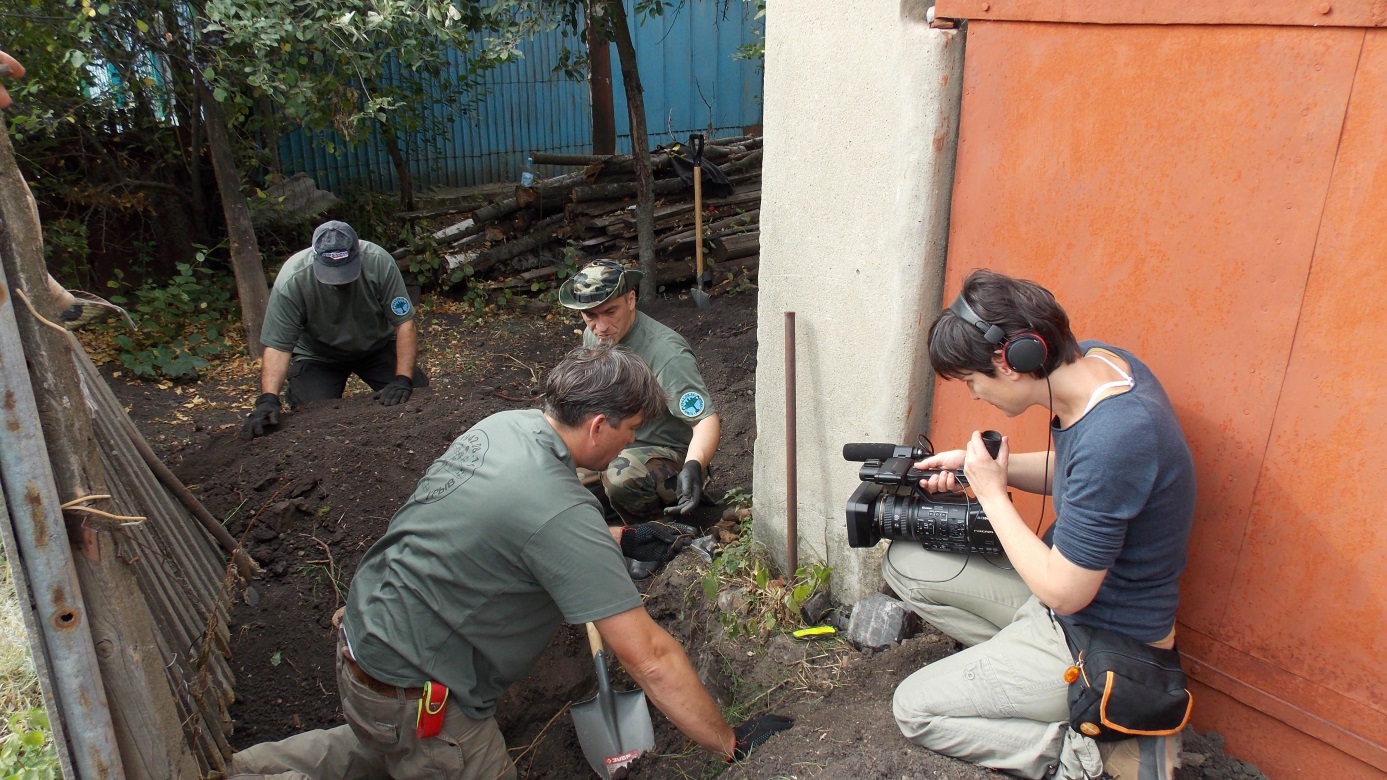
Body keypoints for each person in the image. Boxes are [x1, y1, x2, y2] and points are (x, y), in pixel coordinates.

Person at [228, 345, 792, 779]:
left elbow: (497, 531)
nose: (630, 445)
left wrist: (618, 537)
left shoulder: (500, 428)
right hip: (422, 698)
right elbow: (650, 660)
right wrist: (730, 743)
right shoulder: (557, 508)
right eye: (629, 432)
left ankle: (242, 769)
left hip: (365, 648)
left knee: (378, 744)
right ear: (598, 425)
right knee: (418, 745)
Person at [883, 269, 1196, 780]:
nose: (974, 395)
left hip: (1098, 639)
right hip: (1056, 609)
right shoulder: (1098, 366)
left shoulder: (1119, 435)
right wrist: (981, 468)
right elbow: (1081, 479)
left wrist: (990, 493)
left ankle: (1089, 755)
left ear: (1013, 362)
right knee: (908, 562)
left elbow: (1066, 592)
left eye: (971, 381)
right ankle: (1020, 678)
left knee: (914, 708)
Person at [557, 260, 721, 575]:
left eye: (610, 312)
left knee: (621, 476)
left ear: (631, 300)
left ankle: (660, 534)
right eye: (590, 315)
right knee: (559, 473)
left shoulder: (666, 354)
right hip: (617, 441)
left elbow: (705, 420)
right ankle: (603, 525)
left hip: (664, 455)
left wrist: (693, 466)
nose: (600, 327)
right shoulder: (597, 337)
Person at [242, 220, 427, 437]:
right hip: (319, 355)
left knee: (418, 395)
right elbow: (278, 346)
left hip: (376, 345)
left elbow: (404, 322)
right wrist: (268, 399)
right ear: (315, 256)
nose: (339, 281)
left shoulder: (379, 262)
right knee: (310, 416)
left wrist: (403, 379)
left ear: (357, 252)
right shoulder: (292, 280)